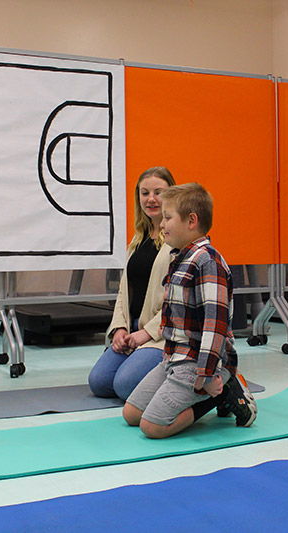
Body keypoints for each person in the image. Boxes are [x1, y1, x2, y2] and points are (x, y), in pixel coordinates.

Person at [122, 182, 257, 439]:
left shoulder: (208, 262)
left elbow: (215, 327)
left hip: (198, 362)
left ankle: (222, 393)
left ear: (191, 221)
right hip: (174, 357)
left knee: (152, 427)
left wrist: (207, 375)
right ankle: (212, 391)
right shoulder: (179, 257)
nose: (162, 224)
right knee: (131, 414)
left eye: (167, 218)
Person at [88, 167, 176, 400]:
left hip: (161, 335)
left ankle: (178, 374)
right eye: (145, 193)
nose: (151, 199)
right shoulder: (137, 241)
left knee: (125, 386)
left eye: (158, 192)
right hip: (133, 330)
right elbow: (123, 292)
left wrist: (146, 334)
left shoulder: (177, 243)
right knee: (99, 383)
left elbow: (179, 301)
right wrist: (119, 328)